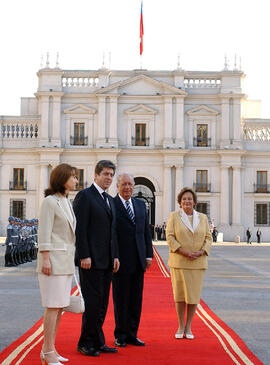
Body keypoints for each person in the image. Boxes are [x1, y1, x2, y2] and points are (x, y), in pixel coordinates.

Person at [73, 160, 120, 357]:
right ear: (96, 175)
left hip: (107, 260)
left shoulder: (109, 199)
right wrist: (84, 255)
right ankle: (85, 342)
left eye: (111, 174)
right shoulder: (85, 196)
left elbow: (112, 232)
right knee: (92, 304)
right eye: (105, 174)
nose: (108, 177)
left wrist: (115, 255)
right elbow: (80, 229)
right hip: (90, 260)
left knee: (102, 304)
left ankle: (99, 341)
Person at [36, 163, 78, 365]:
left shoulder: (66, 202)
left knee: (60, 306)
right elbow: (44, 231)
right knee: (53, 307)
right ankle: (48, 351)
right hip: (52, 261)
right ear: (62, 178)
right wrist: (45, 258)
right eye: (73, 177)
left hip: (66, 261)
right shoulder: (49, 202)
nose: (76, 180)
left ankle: (49, 349)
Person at [112, 174, 153, 347]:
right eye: (124, 184)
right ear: (118, 186)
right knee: (121, 300)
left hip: (138, 259)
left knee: (136, 300)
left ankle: (132, 334)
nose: (127, 187)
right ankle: (120, 335)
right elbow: (111, 233)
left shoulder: (140, 204)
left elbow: (145, 231)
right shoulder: (111, 204)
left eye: (130, 184)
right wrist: (113, 255)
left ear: (134, 186)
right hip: (120, 260)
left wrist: (148, 254)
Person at [166, 187, 212, 340]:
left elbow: (208, 238)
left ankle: (189, 326)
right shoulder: (174, 216)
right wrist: (184, 252)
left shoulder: (203, 218)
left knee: (193, 297)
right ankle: (180, 325)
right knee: (180, 296)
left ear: (194, 202)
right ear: (180, 202)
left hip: (198, 263)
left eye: (190, 199)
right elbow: (170, 237)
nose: (187, 201)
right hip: (179, 262)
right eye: (184, 199)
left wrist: (201, 252)